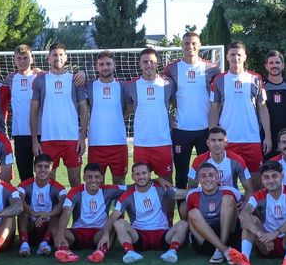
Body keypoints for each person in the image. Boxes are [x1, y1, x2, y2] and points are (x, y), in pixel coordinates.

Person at [162, 31, 221, 189]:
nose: (190, 46)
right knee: (181, 174)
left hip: (205, 129)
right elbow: (162, 94)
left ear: (200, 45)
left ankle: (206, 203)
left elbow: (220, 97)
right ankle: (183, 206)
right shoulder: (171, 69)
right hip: (181, 130)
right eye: (187, 43)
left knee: (207, 172)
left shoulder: (212, 69)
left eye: (194, 43)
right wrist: (168, 115)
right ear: (182, 45)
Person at [30, 43, 89, 186]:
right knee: (48, 181)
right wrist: (35, 140)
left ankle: (75, 203)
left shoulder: (75, 79)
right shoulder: (40, 80)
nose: (58, 57)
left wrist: (82, 137)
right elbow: (33, 112)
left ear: (66, 57)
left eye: (61, 54)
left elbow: (84, 109)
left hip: (72, 139)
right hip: (48, 138)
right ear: (48, 58)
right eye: (54, 55)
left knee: (75, 180)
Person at [208, 41, 272, 173]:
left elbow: (262, 108)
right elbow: (214, 110)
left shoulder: (255, 78)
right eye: (232, 54)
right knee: (226, 179)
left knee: (256, 179)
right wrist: (212, 137)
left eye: (239, 55)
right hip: (227, 140)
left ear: (245, 57)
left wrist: (268, 136)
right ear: (227, 57)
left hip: (252, 138)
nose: (235, 58)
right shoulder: (219, 80)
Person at [111, 161, 185, 264]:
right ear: (132, 177)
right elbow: (113, 217)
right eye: (137, 174)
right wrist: (105, 235)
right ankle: (130, 252)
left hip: (163, 235)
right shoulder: (128, 194)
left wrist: (200, 190)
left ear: (149, 174)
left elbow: (181, 194)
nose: (141, 176)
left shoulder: (161, 187)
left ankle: (172, 252)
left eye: (144, 173)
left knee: (184, 224)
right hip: (139, 237)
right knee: (119, 223)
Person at [239, 160, 286, 265]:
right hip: (266, 244)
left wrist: (275, 234)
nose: (270, 180)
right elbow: (243, 215)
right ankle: (244, 258)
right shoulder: (258, 195)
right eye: (266, 177)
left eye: (274, 176)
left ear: (282, 177)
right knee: (250, 220)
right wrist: (261, 235)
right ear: (262, 179)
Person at [52, 163, 121, 263]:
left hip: (99, 234)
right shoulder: (75, 191)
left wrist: (147, 181)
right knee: (56, 229)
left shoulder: (108, 190)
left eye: (97, 177)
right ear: (84, 177)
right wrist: (61, 233)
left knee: (114, 227)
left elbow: (131, 188)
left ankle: (100, 252)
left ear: (102, 178)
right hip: (77, 233)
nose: (93, 180)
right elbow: (66, 212)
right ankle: (65, 251)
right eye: (89, 177)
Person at [182, 163, 248, 265]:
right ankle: (225, 250)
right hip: (206, 240)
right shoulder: (192, 195)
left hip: (229, 237)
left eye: (211, 175)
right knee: (192, 213)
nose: (207, 179)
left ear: (217, 177)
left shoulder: (230, 191)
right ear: (198, 179)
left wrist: (245, 202)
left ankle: (220, 250)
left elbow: (243, 210)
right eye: (203, 176)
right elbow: (190, 220)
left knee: (228, 199)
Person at [126, 47, 176, 183]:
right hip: (141, 144)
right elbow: (128, 109)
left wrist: (170, 115)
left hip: (163, 142)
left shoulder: (168, 84)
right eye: (145, 62)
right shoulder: (131, 86)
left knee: (167, 183)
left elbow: (176, 102)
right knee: (142, 182)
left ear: (157, 63)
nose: (149, 65)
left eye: (152, 62)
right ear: (140, 64)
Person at [84, 51, 129, 184]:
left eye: (108, 64)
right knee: (96, 184)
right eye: (101, 64)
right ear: (96, 67)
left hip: (118, 143)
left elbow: (129, 108)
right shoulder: (89, 86)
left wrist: (118, 118)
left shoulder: (123, 86)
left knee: (119, 183)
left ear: (114, 65)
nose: (105, 67)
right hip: (96, 144)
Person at [16, 154, 67, 256]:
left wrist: (48, 214)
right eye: (39, 166)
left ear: (51, 169)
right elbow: (18, 199)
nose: (43, 169)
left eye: (46, 166)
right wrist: (33, 213)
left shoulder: (59, 187)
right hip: (31, 225)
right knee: (21, 209)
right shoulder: (25, 184)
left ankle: (45, 243)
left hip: (49, 226)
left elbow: (63, 203)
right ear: (34, 168)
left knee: (59, 212)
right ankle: (24, 243)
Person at [8, 44, 42, 181]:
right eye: (19, 58)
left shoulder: (40, 76)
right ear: (15, 60)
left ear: (32, 59)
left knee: (43, 175)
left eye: (25, 58)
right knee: (25, 177)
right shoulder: (10, 79)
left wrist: (81, 74)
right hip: (20, 134)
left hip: (40, 133)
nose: (22, 61)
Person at [189, 126, 252, 195]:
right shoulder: (198, 160)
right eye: (213, 140)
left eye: (220, 140)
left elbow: (249, 190)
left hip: (230, 197)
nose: (217, 144)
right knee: (183, 200)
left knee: (227, 199)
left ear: (226, 142)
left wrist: (244, 202)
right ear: (208, 143)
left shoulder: (237, 160)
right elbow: (191, 188)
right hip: (208, 197)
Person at [261, 50, 286, 142]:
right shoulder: (261, 86)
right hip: (266, 136)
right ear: (266, 66)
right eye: (271, 63)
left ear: (283, 65)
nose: (274, 65)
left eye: (277, 62)